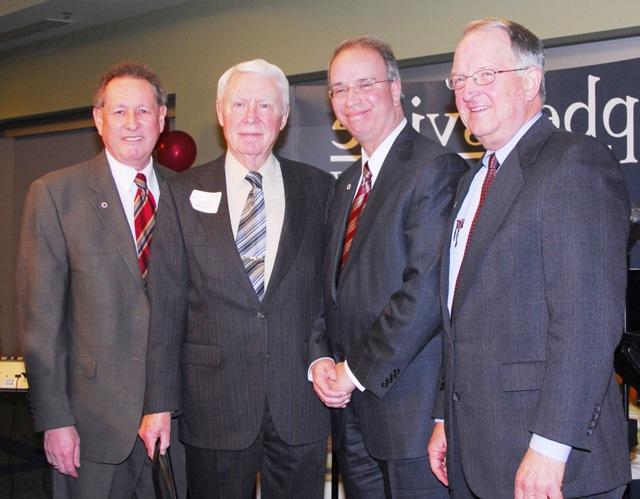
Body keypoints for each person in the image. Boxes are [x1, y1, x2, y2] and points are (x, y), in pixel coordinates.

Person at [427, 18, 631, 498]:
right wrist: (445, 415)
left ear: (531, 80)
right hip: (476, 451)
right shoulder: (471, 182)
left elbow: (588, 320)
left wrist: (551, 445)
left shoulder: (574, 162)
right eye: (459, 80)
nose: (468, 92)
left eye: (485, 75)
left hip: (552, 467)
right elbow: (459, 320)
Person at [138, 59, 332, 499]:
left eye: (265, 105)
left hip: (299, 401)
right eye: (239, 103)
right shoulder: (182, 193)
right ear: (220, 112)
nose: (251, 116)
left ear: (282, 119)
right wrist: (158, 405)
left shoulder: (320, 190)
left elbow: (329, 297)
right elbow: (166, 308)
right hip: (213, 405)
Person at [16, 61, 185, 498]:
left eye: (144, 112)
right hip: (89, 429)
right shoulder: (55, 195)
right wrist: (54, 420)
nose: (133, 124)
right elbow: (41, 323)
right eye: (119, 112)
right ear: (98, 118)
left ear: (162, 119)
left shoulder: (187, 196)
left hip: (174, 427)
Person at [309, 35, 467, 498]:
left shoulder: (434, 168)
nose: (352, 99)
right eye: (339, 89)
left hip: (410, 417)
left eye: (365, 84)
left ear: (396, 88)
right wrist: (320, 358)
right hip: (351, 413)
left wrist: (352, 371)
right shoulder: (344, 185)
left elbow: (424, 292)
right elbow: (330, 292)